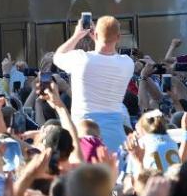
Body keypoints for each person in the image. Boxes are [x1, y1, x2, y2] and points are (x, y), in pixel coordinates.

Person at [53, 15, 134, 155]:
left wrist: (77, 35)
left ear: (95, 34)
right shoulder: (127, 63)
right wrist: (100, 38)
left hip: (84, 136)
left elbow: (57, 56)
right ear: (119, 37)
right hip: (116, 137)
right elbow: (108, 54)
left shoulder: (81, 59)